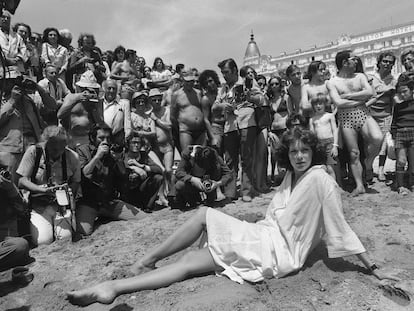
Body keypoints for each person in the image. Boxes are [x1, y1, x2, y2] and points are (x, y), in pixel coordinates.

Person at [67, 127, 399, 307]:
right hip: (264, 236)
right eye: (294, 151)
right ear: (288, 154)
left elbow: (339, 225)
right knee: (194, 250)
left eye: (304, 150)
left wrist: (371, 268)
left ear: (312, 152)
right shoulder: (291, 176)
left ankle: (132, 271)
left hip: (276, 253)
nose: (299, 156)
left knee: (202, 220)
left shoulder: (320, 179)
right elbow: (279, 218)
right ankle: (115, 285)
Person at [327, 50, 382, 195]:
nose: (356, 61)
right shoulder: (332, 82)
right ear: (345, 62)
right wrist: (359, 99)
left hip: (363, 114)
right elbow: (338, 102)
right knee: (354, 153)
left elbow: (369, 93)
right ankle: (359, 186)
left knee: (377, 138)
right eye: (353, 59)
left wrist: (348, 96)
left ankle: (368, 164)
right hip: (346, 118)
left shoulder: (360, 76)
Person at [75, 124, 146, 236]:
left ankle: (105, 216)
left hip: (108, 201)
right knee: (84, 232)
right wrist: (97, 156)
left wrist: (118, 160)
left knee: (143, 218)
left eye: (108, 138)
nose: (105, 141)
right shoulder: (83, 150)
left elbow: (124, 178)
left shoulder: (112, 151)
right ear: (92, 138)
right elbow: (85, 173)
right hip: (89, 202)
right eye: (101, 138)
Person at [17, 126, 80, 246]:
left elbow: (76, 182)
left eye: (60, 148)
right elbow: (21, 181)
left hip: (61, 206)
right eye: (53, 148)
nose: (56, 152)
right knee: (43, 242)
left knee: (65, 240)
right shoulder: (34, 152)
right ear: (46, 142)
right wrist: (43, 190)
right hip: (39, 206)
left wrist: (68, 193)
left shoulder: (72, 157)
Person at [216, 58, 263, 202]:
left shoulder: (247, 82)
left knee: (247, 158)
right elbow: (214, 106)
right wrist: (223, 106)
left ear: (235, 70)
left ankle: (246, 191)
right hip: (230, 126)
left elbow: (261, 99)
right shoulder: (223, 89)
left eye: (227, 72)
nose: (224, 75)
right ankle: (230, 191)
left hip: (246, 122)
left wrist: (250, 97)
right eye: (222, 73)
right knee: (230, 160)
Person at [0, 77, 57, 184]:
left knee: (31, 182)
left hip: (32, 145)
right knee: (10, 184)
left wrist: (38, 88)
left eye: (16, 80)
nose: (14, 84)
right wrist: (12, 101)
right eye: (10, 81)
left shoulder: (28, 99)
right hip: (11, 148)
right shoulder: (2, 100)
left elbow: (52, 106)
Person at [367, 52, 397, 181]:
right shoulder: (370, 78)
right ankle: (368, 167)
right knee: (371, 143)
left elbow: (393, 99)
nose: (387, 64)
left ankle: (380, 170)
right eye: (385, 61)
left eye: (390, 62)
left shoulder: (394, 80)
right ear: (379, 62)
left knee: (383, 145)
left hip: (386, 114)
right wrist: (385, 90)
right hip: (370, 114)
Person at [57, 70, 104, 148]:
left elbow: (100, 122)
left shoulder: (97, 101)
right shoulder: (71, 97)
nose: (87, 91)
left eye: (91, 89)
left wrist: (94, 108)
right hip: (70, 136)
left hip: (87, 138)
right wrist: (77, 99)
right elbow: (60, 115)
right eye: (84, 88)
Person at [122, 135, 164, 212]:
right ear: (128, 144)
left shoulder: (144, 155)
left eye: (138, 143)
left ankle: (148, 207)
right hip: (128, 190)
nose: (136, 145)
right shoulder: (123, 155)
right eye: (133, 143)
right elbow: (119, 167)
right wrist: (133, 168)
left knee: (158, 178)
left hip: (142, 187)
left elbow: (159, 169)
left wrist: (141, 166)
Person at [171, 69, 207, 152]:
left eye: (191, 81)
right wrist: (181, 125)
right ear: (182, 80)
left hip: (201, 130)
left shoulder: (199, 93)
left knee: (202, 156)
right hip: (185, 130)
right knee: (187, 155)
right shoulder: (176, 95)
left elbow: (204, 109)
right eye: (187, 81)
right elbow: (172, 115)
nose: (189, 83)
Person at [148, 88, 174, 206]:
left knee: (169, 170)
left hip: (167, 145)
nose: (157, 102)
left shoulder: (167, 110)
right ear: (150, 101)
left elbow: (169, 126)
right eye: (154, 100)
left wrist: (156, 120)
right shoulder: (148, 114)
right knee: (161, 171)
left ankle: (172, 193)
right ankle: (162, 195)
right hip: (155, 147)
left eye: (159, 99)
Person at [0, 170, 30, 270]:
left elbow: (22, 209)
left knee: (21, 246)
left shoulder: (5, 184)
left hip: (5, 240)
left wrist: (11, 188)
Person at [390, 74, 414, 195]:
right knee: (401, 160)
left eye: (405, 91)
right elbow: (394, 122)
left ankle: (411, 182)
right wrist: (393, 136)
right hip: (400, 133)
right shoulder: (398, 105)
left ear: (412, 90)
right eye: (400, 93)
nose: (403, 95)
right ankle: (400, 185)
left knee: (413, 161)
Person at [309, 93, 339, 181]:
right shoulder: (312, 119)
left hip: (330, 143)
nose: (318, 106)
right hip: (319, 144)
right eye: (316, 104)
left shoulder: (329, 116)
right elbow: (312, 134)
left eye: (320, 103)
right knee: (322, 168)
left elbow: (335, 130)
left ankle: (333, 186)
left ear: (325, 104)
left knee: (330, 167)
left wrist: (335, 146)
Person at [0, 10, 27, 80]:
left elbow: (23, 50)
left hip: (14, 69)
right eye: (3, 17)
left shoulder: (17, 36)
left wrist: (17, 59)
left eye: (8, 18)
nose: (5, 19)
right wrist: (5, 59)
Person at [198, 70, 221, 151]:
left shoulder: (222, 92)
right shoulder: (205, 99)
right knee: (217, 154)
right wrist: (213, 137)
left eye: (210, 81)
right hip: (216, 127)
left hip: (229, 125)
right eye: (206, 83)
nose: (209, 84)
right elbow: (206, 119)